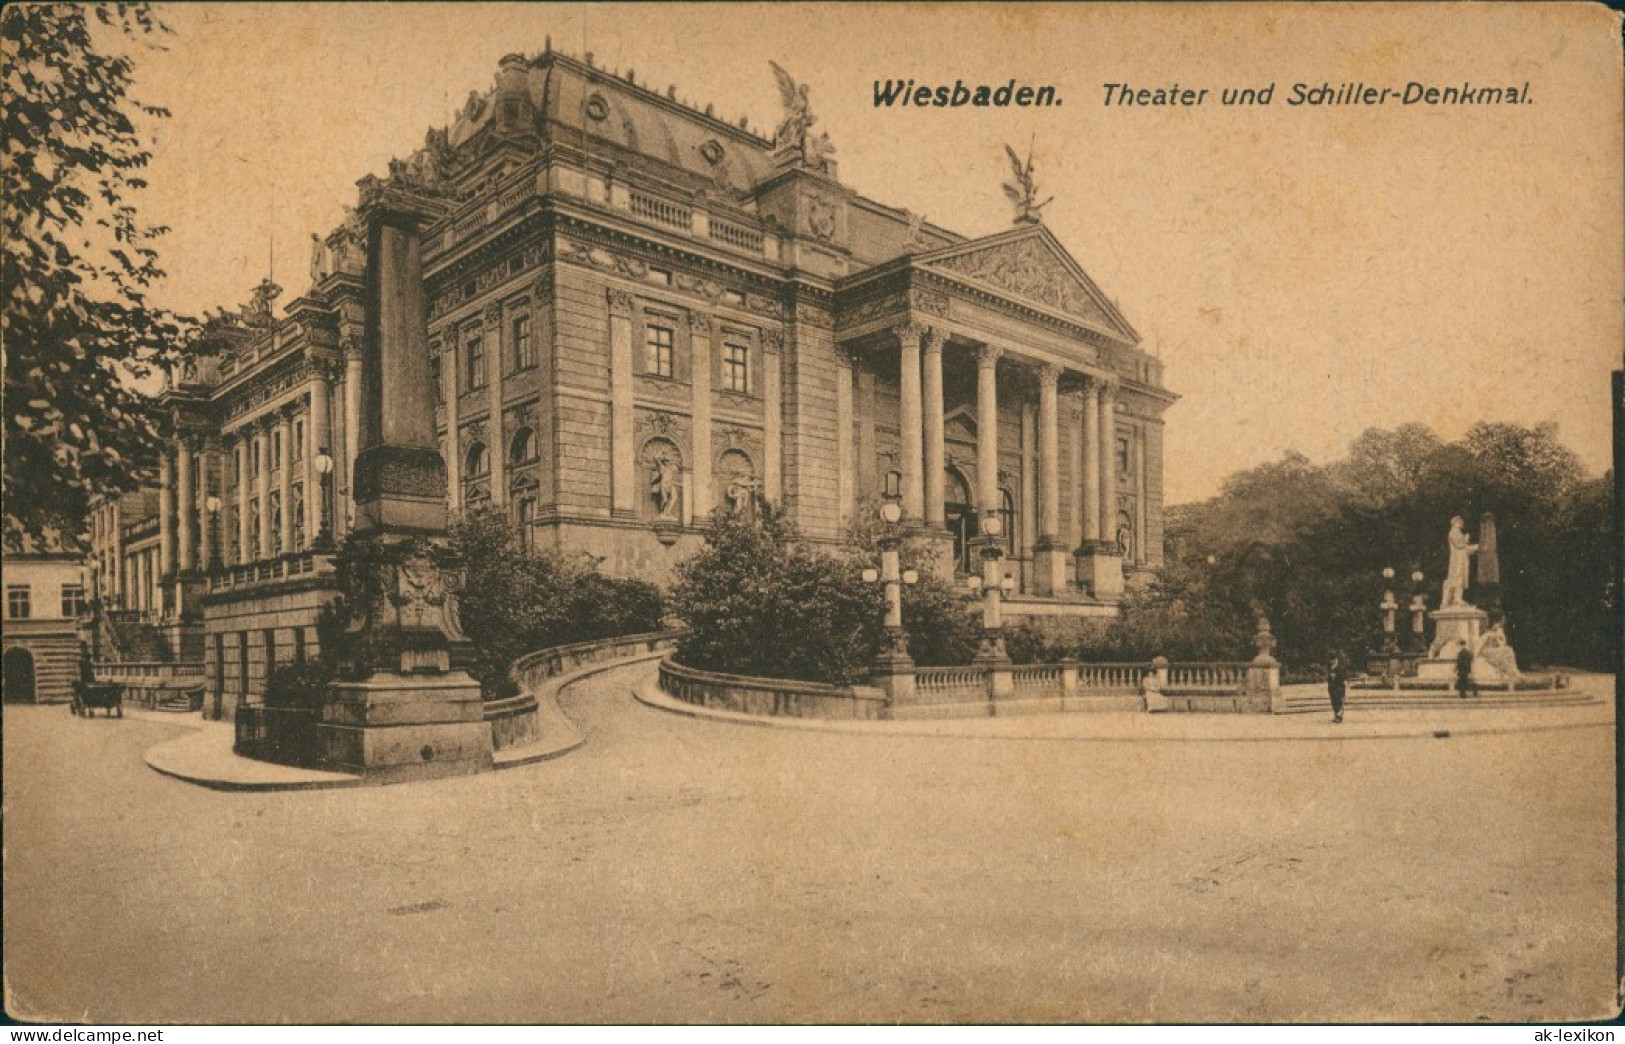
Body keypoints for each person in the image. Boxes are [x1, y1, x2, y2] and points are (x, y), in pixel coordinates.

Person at [1326, 653, 1347, 724]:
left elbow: (1342, 678)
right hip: (1332, 687)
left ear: (1336, 660)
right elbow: (1329, 677)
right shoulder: (1330, 667)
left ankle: (1339, 717)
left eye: (1333, 660)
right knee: (1333, 702)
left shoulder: (1340, 667)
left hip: (1339, 687)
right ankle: (1335, 716)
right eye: (1331, 660)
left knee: (1339, 701)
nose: (1331, 662)